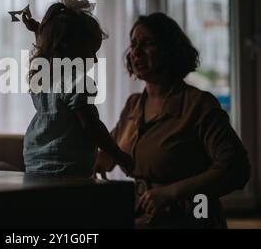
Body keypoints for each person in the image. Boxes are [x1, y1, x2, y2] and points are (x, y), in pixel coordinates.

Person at [95, 13, 250, 228]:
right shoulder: (133, 105)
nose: (136, 52)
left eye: (148, 43)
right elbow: (107, 156)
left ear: (170, 50)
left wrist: (171, 192)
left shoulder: (199, 105)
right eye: (133, 44)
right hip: (143, 219)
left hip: (193, 219)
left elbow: (237, 168)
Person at [16, 0, 133, 177]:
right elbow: (91, 125)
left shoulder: (43, 75)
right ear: (70, 49)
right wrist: (119, 156)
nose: (94, 60)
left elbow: (48, 48)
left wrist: (39, 32)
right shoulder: (76, 81)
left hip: (34, 163)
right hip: (68, 168)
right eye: (91, 52)